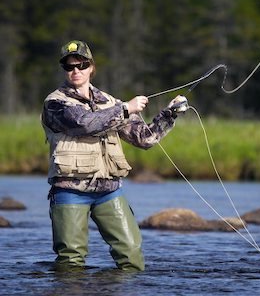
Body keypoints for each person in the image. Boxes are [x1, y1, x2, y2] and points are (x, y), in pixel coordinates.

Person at [41, 40, 187, 271]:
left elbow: (144, 138)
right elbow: (85, 123)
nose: (76, 71)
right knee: (71, 260)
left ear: (91, 67)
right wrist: (126, 108)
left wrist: (169, 114)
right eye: (70, 67)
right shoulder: (55, 103)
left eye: (82, 65)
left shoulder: (110, 102)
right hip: (70, 191)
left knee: (131, 254)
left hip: (109, 192)